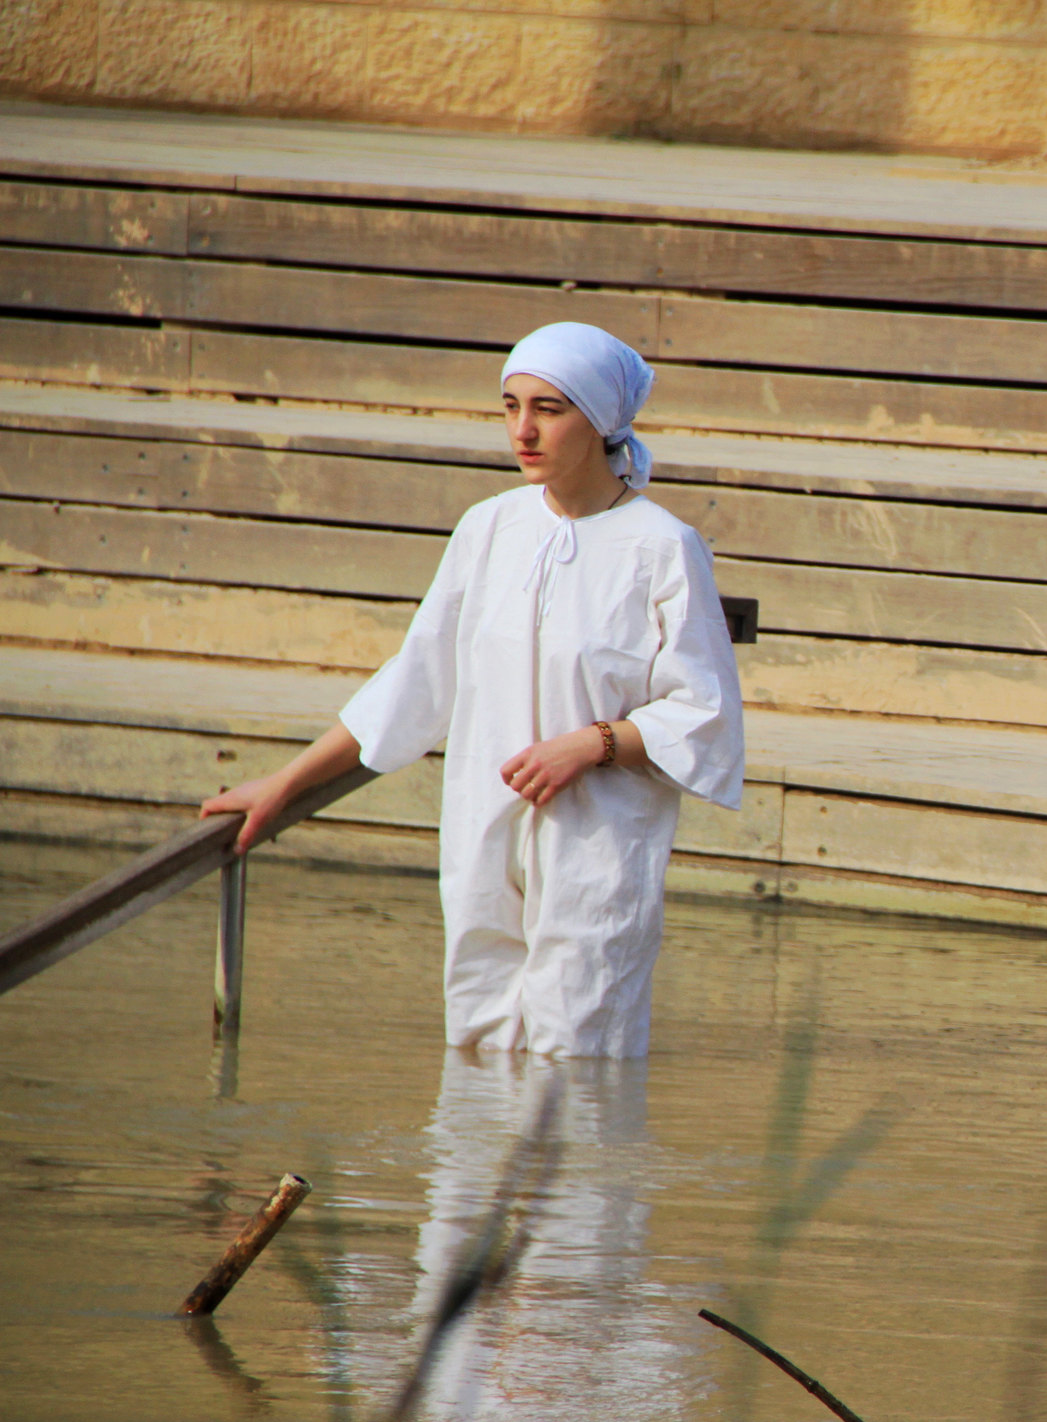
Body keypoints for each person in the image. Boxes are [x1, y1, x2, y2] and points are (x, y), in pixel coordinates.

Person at [201, 323, 745, 1058]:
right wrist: (285, 784)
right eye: (511, 405)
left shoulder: (662, 546)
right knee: (478, 1053)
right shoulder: (488, 528)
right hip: (481, 837)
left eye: (549, 409)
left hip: (596, 850)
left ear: (602, 419)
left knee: (578, 1066)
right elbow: (417, 680)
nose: (523, 429)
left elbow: (702, 709)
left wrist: (592, 744)